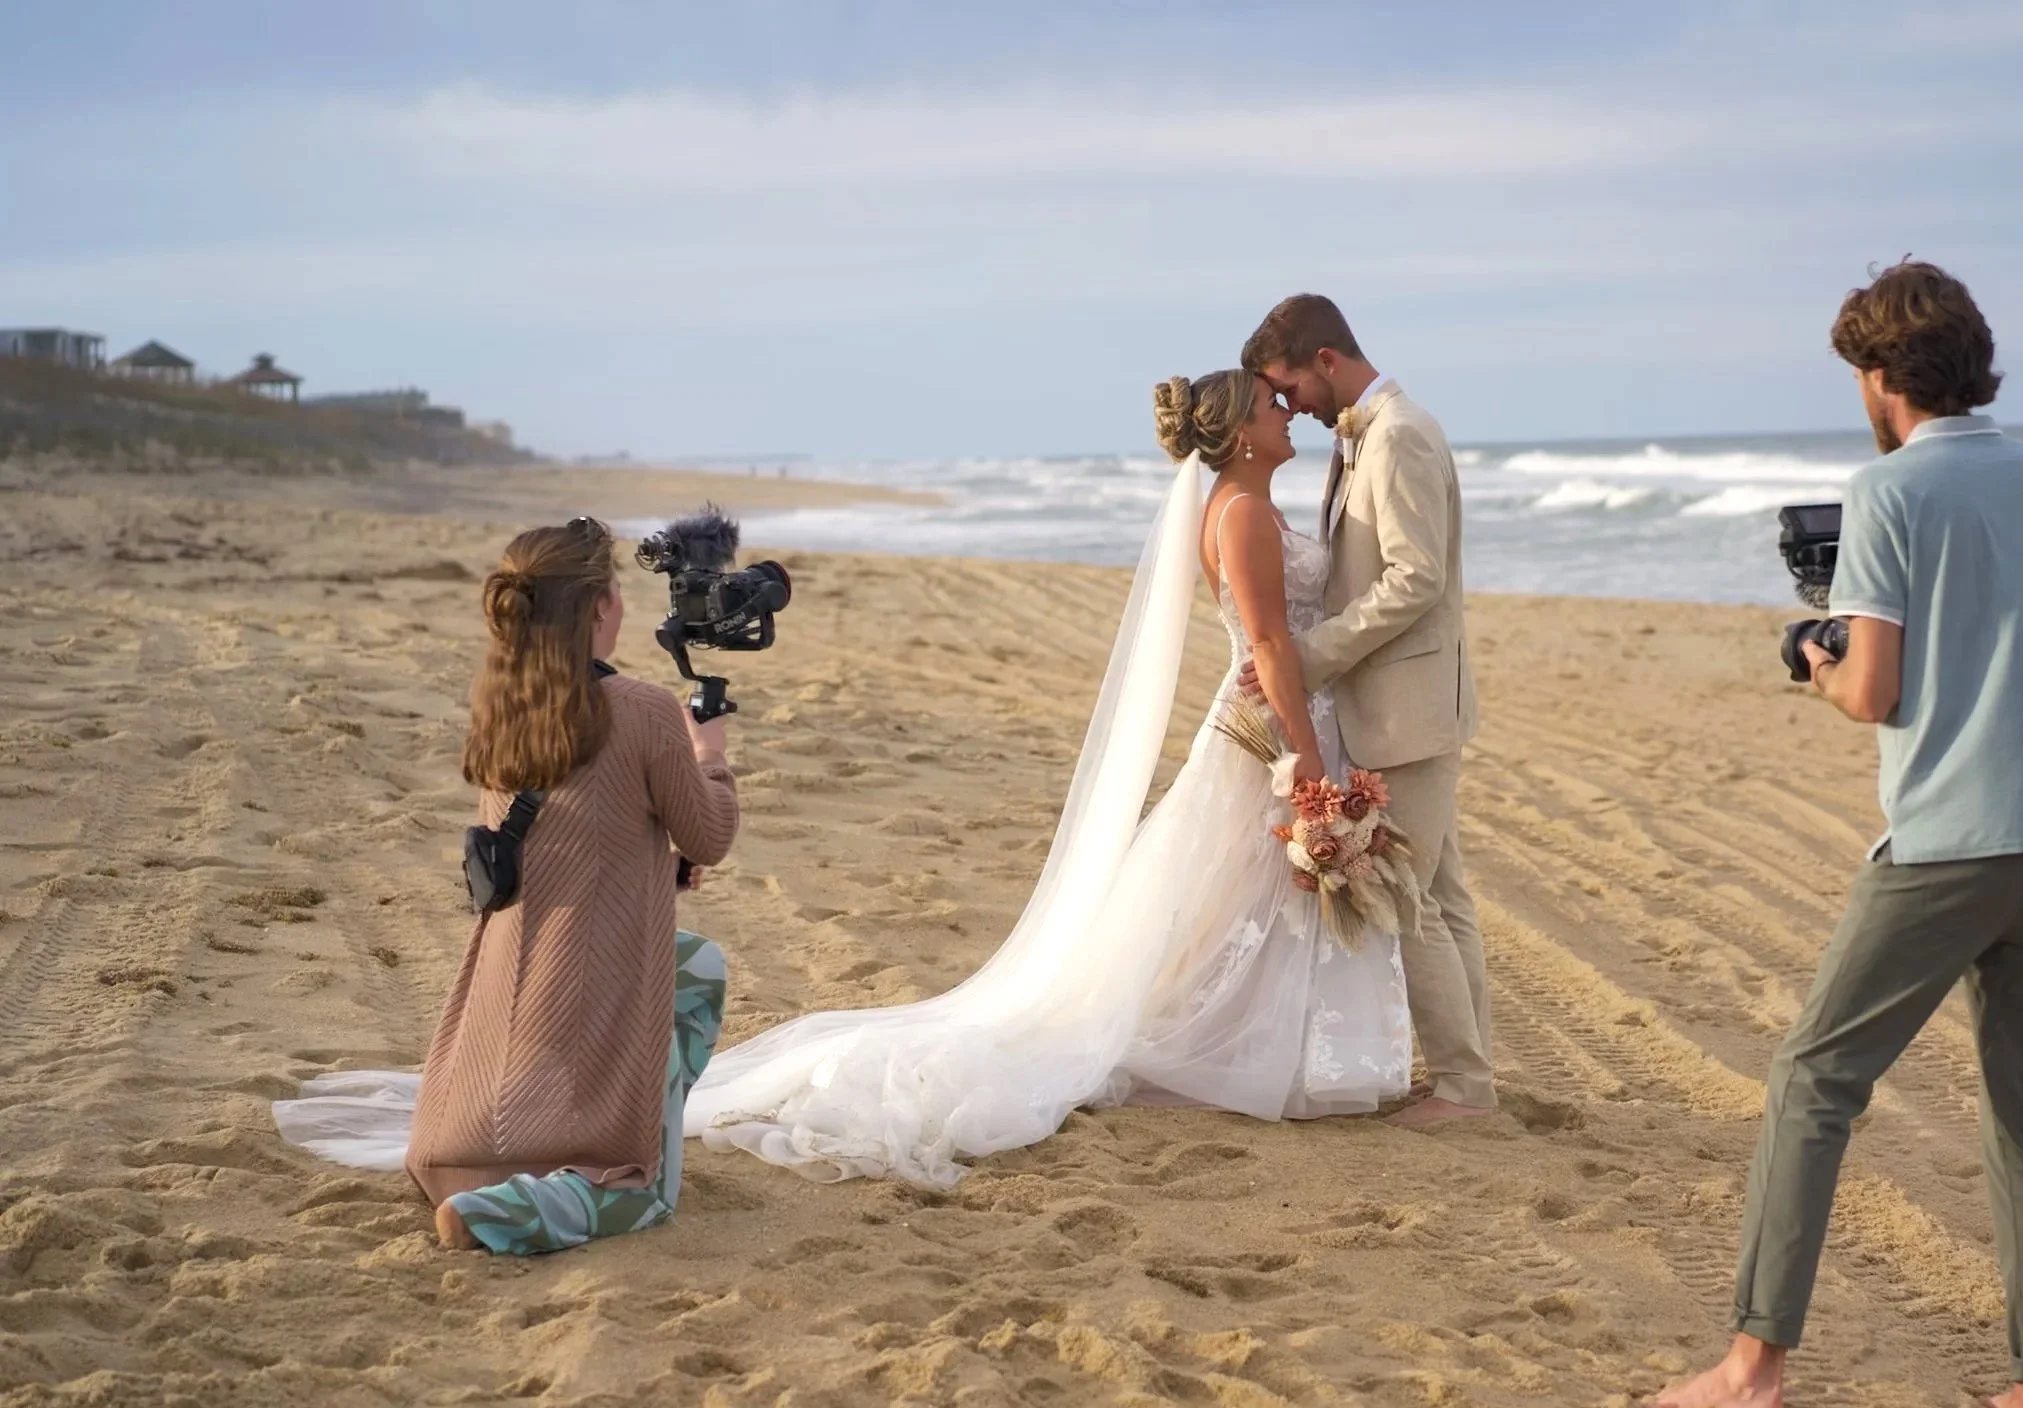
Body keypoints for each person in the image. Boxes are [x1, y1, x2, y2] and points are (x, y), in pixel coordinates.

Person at [679, 371, 1411, 1189]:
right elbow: (1270, 645)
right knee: (1253, 887)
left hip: (1283, 719)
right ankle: (1253, 1057)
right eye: (1272, 406)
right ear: (1241, 430)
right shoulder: (1240, 514)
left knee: (1244, 896)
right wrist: (1307, 766)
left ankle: (1277, 1050)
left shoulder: (1256, 506)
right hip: (1274, 728)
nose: (1288, 415)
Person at [1644, 261, 2023, 1408]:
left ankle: (1753, 1366)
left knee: (1812, 1079)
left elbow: (1873, 692)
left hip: (1947, 844)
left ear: (1880, 379)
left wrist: (1818, 661)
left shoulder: (1884, 495)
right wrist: (2001, 640)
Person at [272, 517, 740, 1254]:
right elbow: (710, 832)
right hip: (573, 1042)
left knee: (696, 963)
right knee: (646, 1198)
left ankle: (543, 1151)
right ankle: (569, 1183)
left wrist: (660, 862)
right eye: (616, 591)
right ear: (596, 607)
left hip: (483, 1080)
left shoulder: (503, 708)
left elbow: (576, 832)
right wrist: (708, 754)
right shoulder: (646, 711)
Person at [1241, 295, 1494, 1130]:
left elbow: (1415, 579)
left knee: (1410, 901)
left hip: (1409, 706)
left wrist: (1312, 655)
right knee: (1444, 897)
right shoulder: (1364, 435)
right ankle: (1470, 1078)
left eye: (1288, 387)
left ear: (1323, 360)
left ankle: (1463, 1088)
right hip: (1394, 704)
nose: (1292, 408)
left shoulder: (1400, 435)